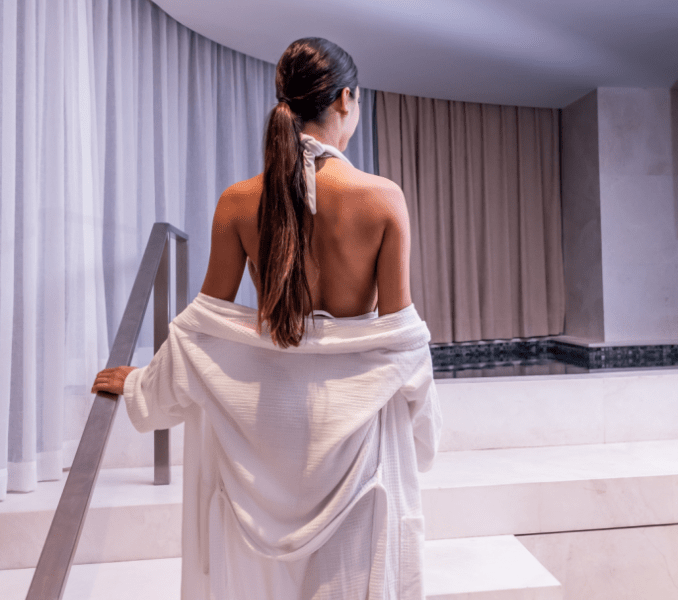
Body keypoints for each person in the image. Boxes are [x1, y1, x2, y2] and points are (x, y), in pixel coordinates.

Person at [92, 37, 441, 600]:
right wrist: (424, 426)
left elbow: (200, 330)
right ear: (346, 100)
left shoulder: (238, 202)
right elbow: (400, 342)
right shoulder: (382, 200)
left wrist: (140, 384)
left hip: (262, 435)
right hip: (354, 443)